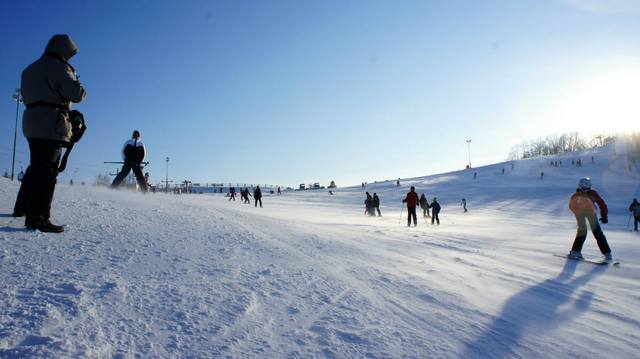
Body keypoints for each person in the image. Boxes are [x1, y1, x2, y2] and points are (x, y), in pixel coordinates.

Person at [12, 34, 87, 233]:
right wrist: (74, 78)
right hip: (51, 123)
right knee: (47, 172)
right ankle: (38, 218)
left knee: (36, 166)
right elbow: (77, 95)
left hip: (31, 122)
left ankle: (21, 208)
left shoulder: (29, 69)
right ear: (63, 50)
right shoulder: (60, 68)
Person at [568, 177, 612, 260]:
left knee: (597, 232)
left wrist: (604, 215)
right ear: (580, 187)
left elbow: (601, 203)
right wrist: (577, 211)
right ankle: (575, 251)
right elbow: (571, 205)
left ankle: (607, 253)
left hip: (591, 213)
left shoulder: (593, 193)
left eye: (588, 188)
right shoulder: (576, 195)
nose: (586, 190)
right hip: (580, 214)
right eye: (584, 189)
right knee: (582, 231)